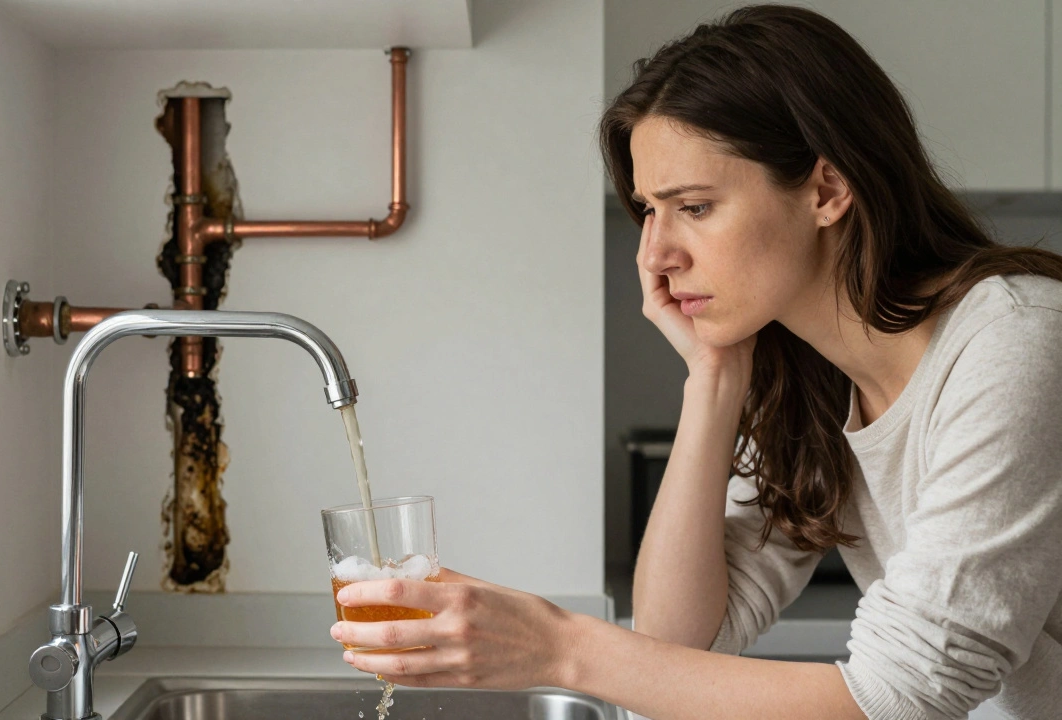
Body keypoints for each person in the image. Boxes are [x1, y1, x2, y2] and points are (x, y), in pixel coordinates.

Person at [327, 5, 1062, 718]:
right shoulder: (809, 381)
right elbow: (679, 640)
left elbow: (902, 697)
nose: (656, 254)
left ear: (827, 190)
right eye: (648, 209)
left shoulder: (1016, 341)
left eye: (696, 207)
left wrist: (557, 647)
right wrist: (712, 379)